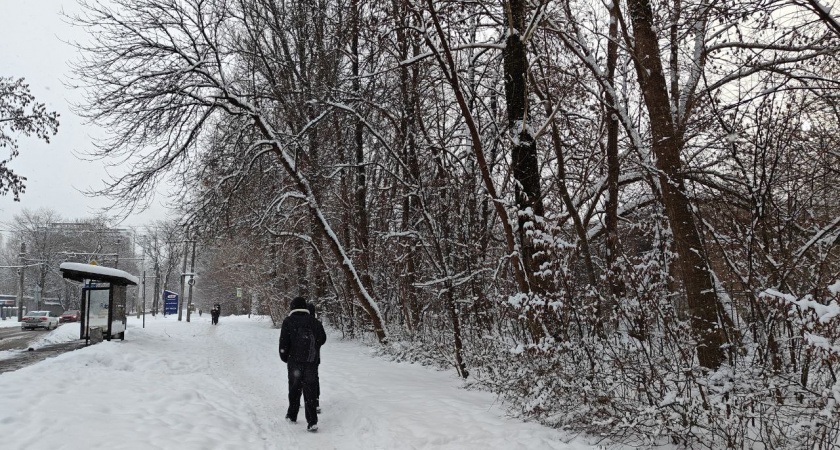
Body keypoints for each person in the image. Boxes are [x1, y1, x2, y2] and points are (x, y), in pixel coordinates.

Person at [279, 297, 326, 432]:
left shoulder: (288, 321)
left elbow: (284, 342)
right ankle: (312, 422)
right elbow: (322, 338)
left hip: (294, 361)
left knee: (294, 388)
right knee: (310, 390)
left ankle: (292, 415)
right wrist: (314, 349)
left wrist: (285, 357)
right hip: (311, 361)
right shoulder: (314, 321)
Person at [306, 302, 324, 413]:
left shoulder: (301, 322)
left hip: (301, 357)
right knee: (314, 379)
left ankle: (298, 400)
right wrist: (316, 345)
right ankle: (316, 401)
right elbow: (323, 338)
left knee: (300, 378)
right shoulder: (317, 323)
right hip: (315, 357)